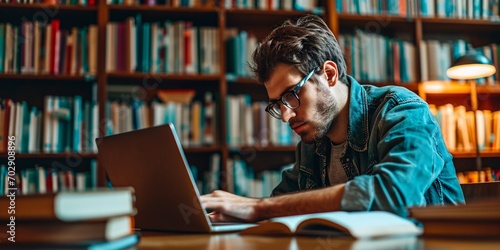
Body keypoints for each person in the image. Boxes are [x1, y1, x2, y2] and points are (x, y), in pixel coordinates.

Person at [200, 14, 465, 223]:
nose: (285, 115)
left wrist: (259, 208)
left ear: (328, 74)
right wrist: (232, 214)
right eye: (277, 104)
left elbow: (395, 193)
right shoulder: (312, 142)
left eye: (291, 95)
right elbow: (282, 202)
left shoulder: (401, 109)